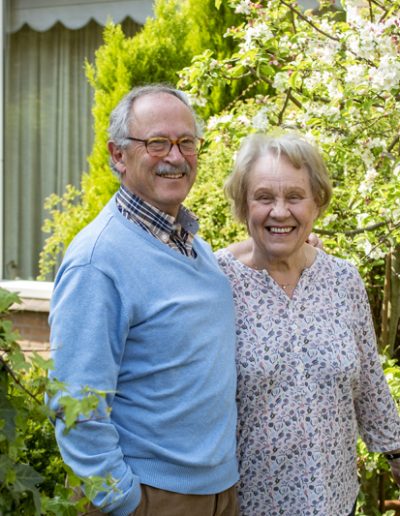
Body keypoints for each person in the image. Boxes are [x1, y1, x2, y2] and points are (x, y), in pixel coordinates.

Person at [48, 84, 240, 515]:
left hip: (219, 490)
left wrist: (299, 250)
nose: (175, 157)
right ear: (118, 155)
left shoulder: (196, 249)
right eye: (157, 143)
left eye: (186, 142)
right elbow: (75, 402)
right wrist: (124, 501)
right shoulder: (98, 260)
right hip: (149, 496)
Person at [215, 132, 400, 516]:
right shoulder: (216, 283)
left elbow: (369, 384)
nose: (279, 212)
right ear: (242, 205)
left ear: (317, 202)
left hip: (335, 501)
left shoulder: (343, 281)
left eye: (294, 197)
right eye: (264, 197)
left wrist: (396, 451)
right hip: (249, 506)